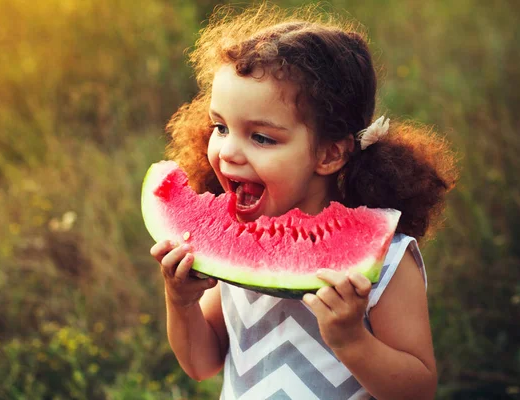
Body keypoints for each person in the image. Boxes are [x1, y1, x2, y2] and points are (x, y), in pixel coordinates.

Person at [150, 4, 458, 399]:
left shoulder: (388, 261)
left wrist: (351, 341)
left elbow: (418, 390)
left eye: (261, 137)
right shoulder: (231, 238)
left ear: (329, 154)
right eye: (221, 127)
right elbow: (202, 363)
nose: (228, 152)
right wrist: (181, 302)